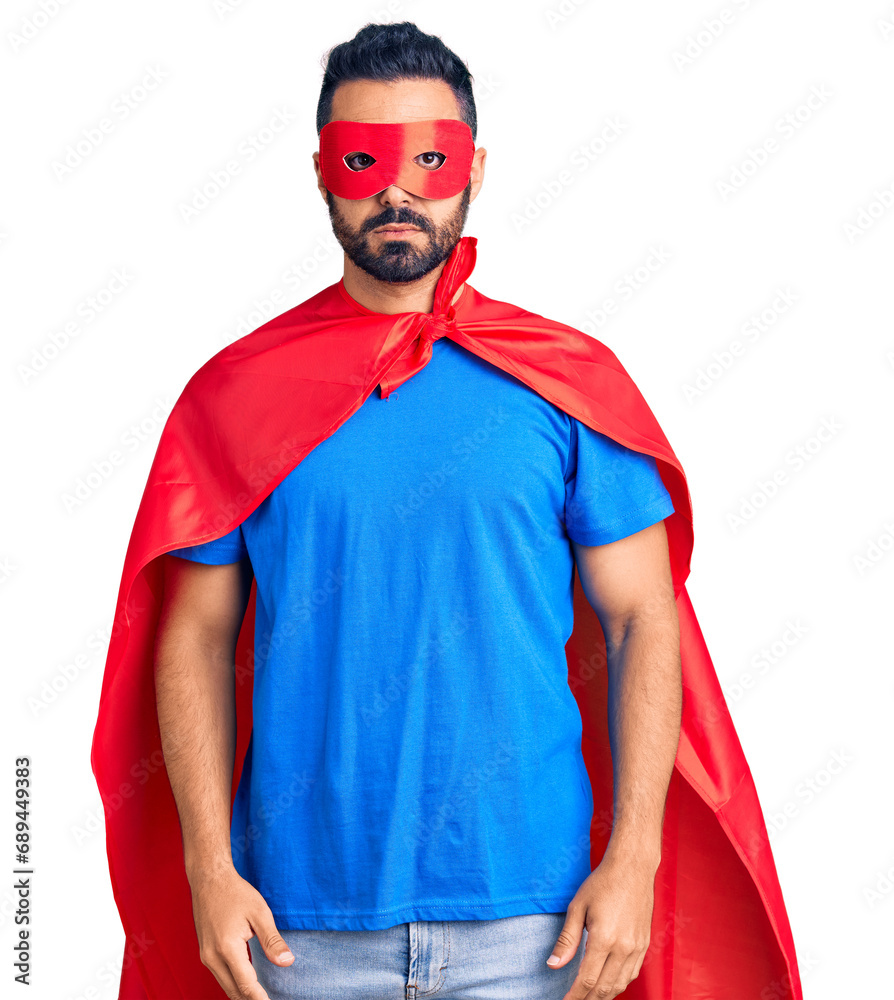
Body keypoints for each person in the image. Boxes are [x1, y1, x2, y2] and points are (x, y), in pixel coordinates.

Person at [92, 20, 802, 1000]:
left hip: (535, 929)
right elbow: (195, 637)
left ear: (476, 168)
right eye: (365, 158)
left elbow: (645, 617)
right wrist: (208, 868)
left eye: (432, 156)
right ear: (322, 172)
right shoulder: (235, 394)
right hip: (299, 934)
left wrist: (635, 860)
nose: (400, 188)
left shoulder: (565, 386)